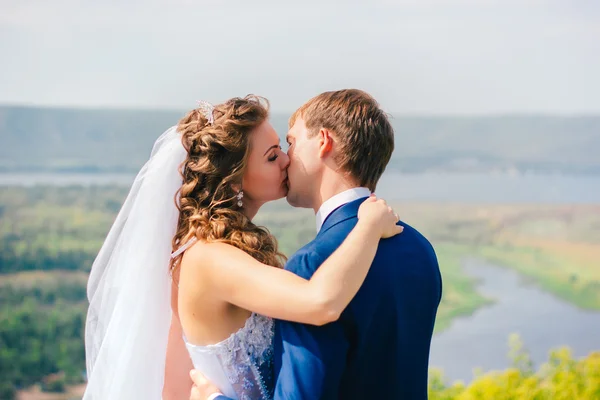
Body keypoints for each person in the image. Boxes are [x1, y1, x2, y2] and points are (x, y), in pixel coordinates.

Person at [83, 95, 401, 400]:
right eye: (272, 155)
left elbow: (174, 382)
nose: (288, 160)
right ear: (235, 181)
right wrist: (369, 226)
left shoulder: (220, 250)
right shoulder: (209, 257)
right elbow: (321, 303)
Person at [189, 89, 443, 400]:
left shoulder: (312, 265)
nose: (286, 158)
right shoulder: (419, 248)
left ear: (323, 142)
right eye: (275, 152)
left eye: (291, 143)